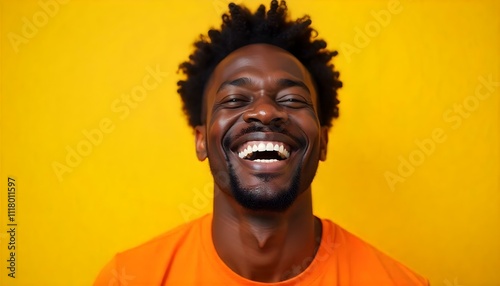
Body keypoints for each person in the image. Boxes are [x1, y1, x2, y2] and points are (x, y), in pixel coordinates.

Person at [94, 1, 429, 285]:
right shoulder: (130, 277)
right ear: (200, 140)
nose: (266, 111)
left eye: (293, 99)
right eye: (236, 99)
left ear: (323, 141)